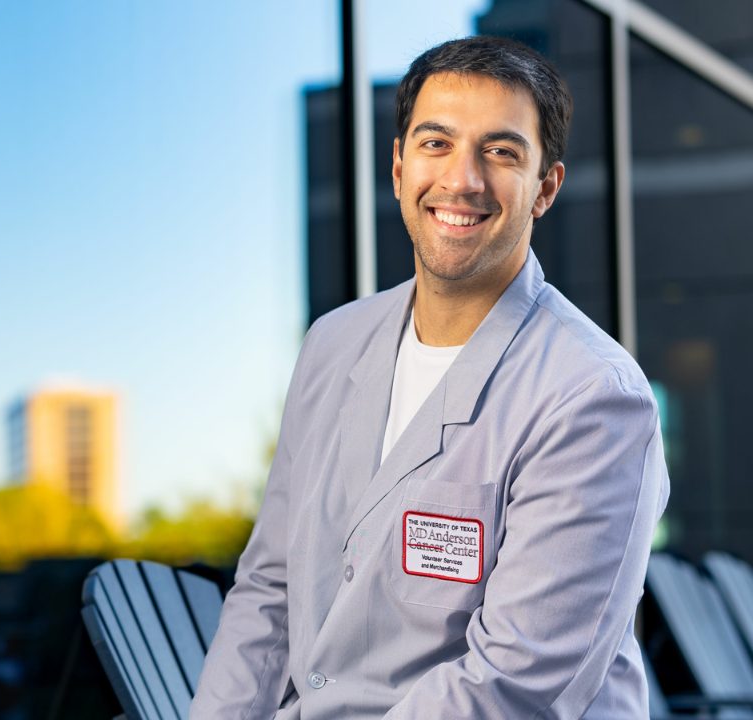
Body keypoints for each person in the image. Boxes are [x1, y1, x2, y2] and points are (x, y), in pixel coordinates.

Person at [190, 36, 670, 719]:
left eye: (500, 152)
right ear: (398, 168)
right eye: (436, 143)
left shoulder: (592, 398)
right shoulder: (332, 346)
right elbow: (270, 591)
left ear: (545, 189)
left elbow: (513, 686)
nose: (462, 179)